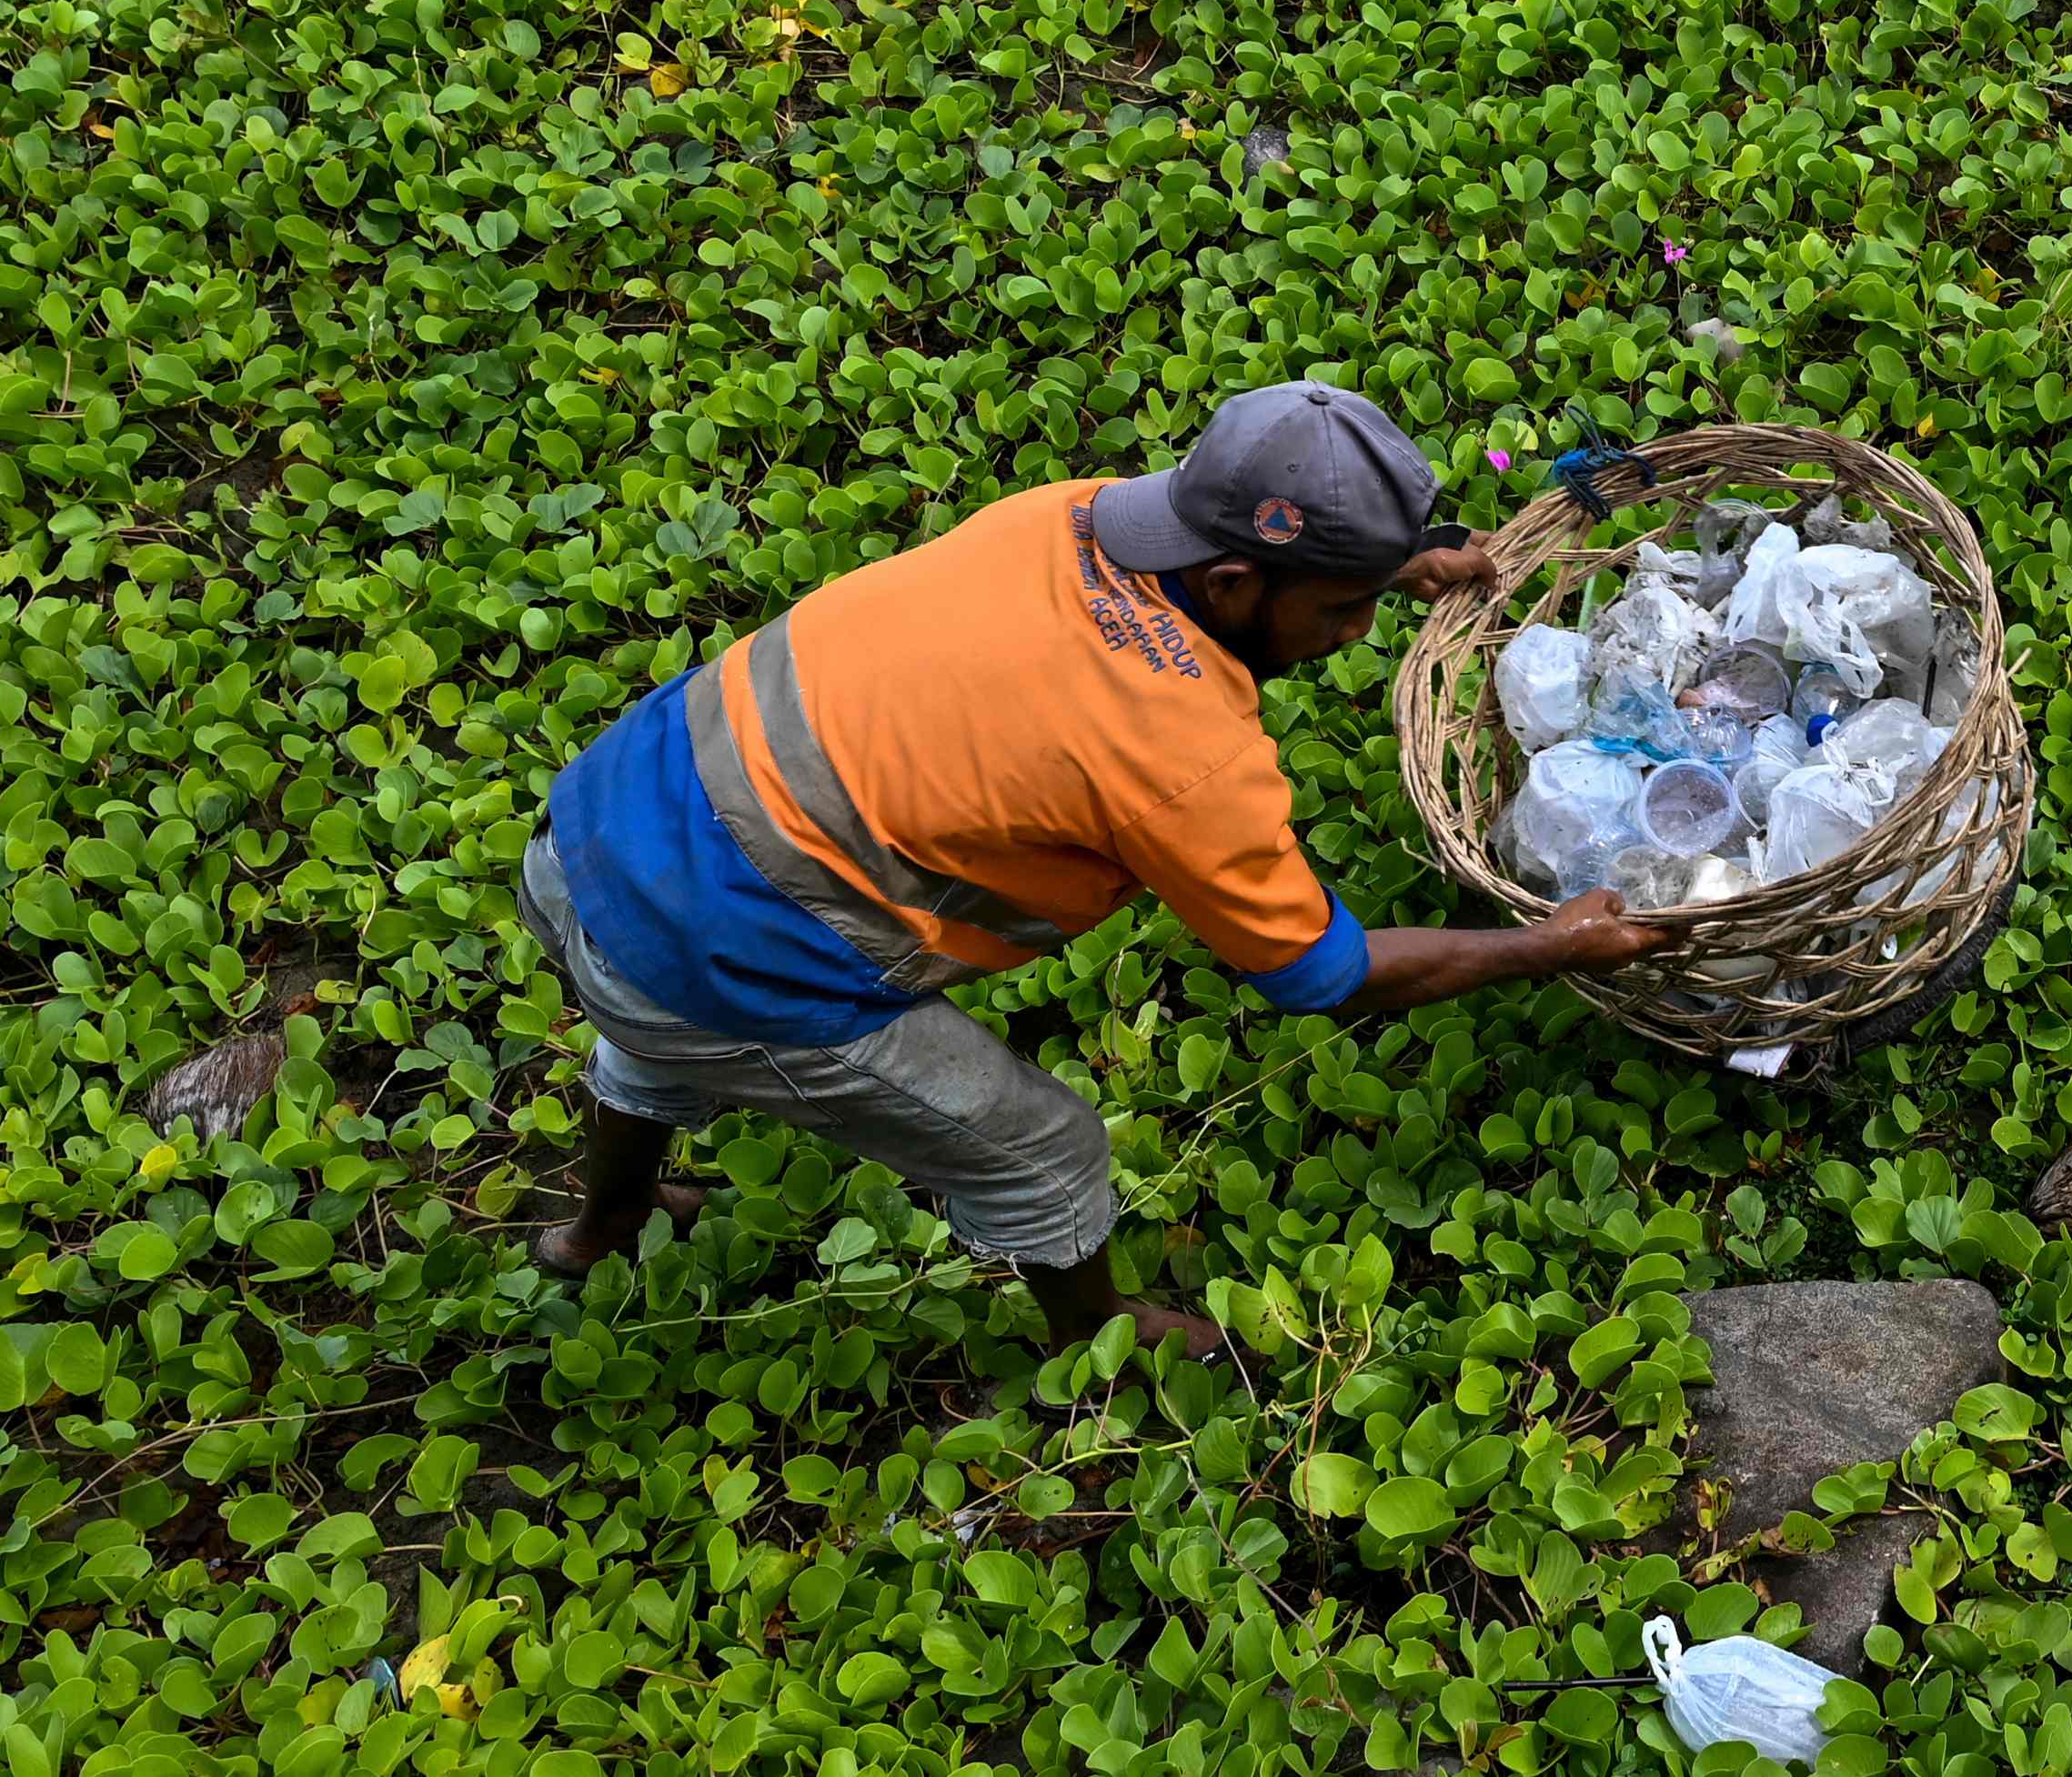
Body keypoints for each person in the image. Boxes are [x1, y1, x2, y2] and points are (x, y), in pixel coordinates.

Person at [516, 378, 1674, 1355]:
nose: (1357, 631)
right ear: (1231, 586)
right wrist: (1549, 941)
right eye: (1342, 606)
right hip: (709, 955)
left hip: (595, 834)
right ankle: (1095, 1341)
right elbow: (1322, 972)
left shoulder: (1068, 513)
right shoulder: (1182, 751)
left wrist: (1389, 559)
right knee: (1045, 1150)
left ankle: (599, 1226)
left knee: (643, 1014)